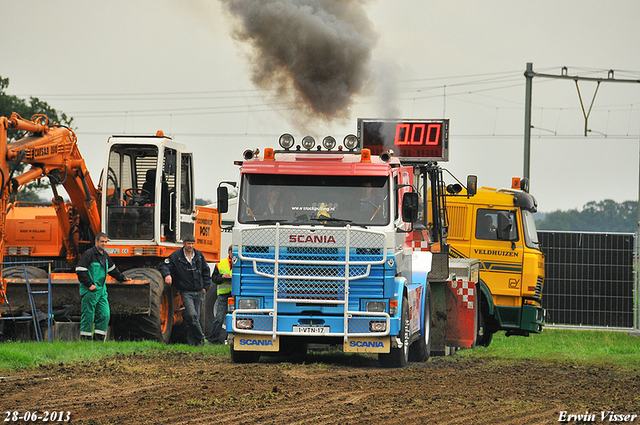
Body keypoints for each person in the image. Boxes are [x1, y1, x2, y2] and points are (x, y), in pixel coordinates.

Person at [158, 234, 211, 346]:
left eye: (192, 244)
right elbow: (164, 266)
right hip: (186, 292)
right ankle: (201, 338)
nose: (190, 246)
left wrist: (206, 287)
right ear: (184, 244)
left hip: (199, 291)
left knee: (195, 317)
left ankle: (192, 343)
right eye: (188, 244)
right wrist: (167, 275)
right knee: (192, 315)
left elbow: (206, 272)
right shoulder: (176, 256)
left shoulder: (199, 256)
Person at [76, 232, 130, 341]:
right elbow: (80, 270)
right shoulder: (88, 254)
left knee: (105, 315)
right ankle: (85, 340)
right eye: (102, 241)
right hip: (90, 291)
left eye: (106, 242)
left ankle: (99, 340)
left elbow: (112, 270)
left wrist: (123, 278)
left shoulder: (105, 255)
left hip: (101, 291)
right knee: (88, 315)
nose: (104, 244)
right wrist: (89, 284)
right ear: (96, 242)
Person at [207, 245, 232, 344]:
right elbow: (214, 278)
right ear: (229, 252)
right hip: (224, 295)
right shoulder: (220, 264)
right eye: (232, 251)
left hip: (237, 296)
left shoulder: (242, 262)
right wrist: (222, 276)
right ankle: (212, 341)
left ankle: (230, 340)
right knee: (219, 318)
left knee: (236, 319)